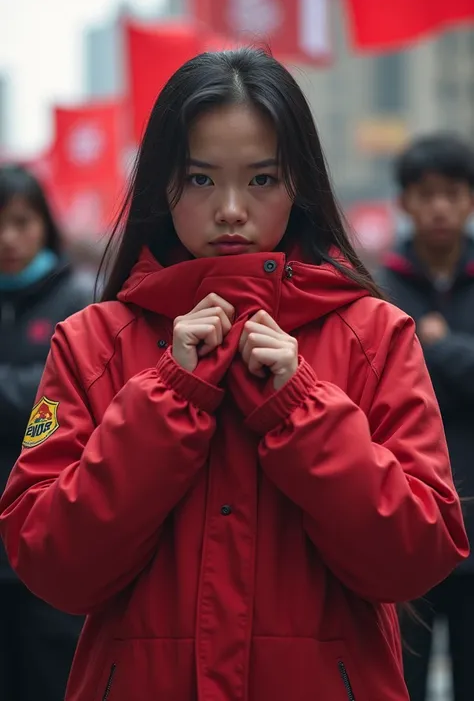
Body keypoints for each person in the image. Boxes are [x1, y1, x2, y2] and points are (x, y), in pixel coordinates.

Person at [0, 49, 469, 701]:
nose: (229, 209)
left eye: (261, 180)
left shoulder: (375, 334)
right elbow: (50, 564)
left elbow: (417, 554)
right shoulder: (91, 342)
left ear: (299, 181)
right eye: (199, 179)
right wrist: (166, 399)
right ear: (161, 184)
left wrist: (301, 409)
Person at [378, 134, 474, 701]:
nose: (439, 206)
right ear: (406, 202)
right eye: (426, 194)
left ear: (468, 201)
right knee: (402, 685)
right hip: (408, 520)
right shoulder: (380, 287)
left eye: (452, 193)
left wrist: (436, 346)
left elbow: (411, 365)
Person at [0, 164, 89, 700]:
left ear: (44, 225)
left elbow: (56, 398)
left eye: (21, 221)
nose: (8, 238)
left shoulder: (76, 298)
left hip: (47, 533)